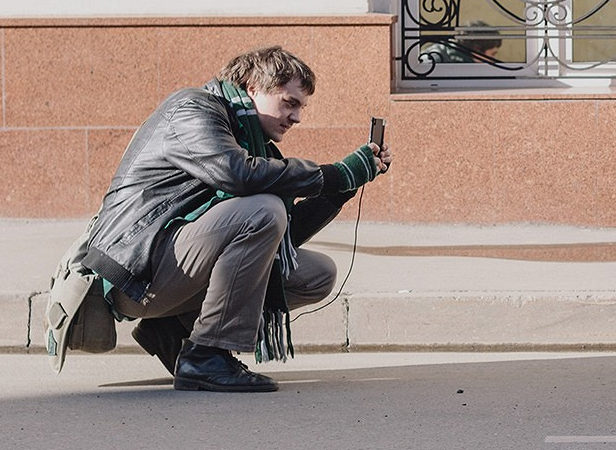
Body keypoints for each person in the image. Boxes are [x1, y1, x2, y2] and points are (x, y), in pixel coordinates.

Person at [79, 45, 393, 393]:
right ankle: (206, 354)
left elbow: (279, 236)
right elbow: (237, 174)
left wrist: (343, 188)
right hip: (136, 274)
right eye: (289, 102)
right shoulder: (192, 109)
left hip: (172, 269)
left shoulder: (252, 141)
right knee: (262, 210)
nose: (297, 117)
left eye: (301, 107)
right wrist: (333, 174)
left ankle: (175, 329)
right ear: (252, 87)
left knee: (316, 275)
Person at [418, 21, 502, 66]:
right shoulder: (438, 60)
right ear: (477, 50)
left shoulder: (445, 52)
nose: (493, 60)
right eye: (492, 54)